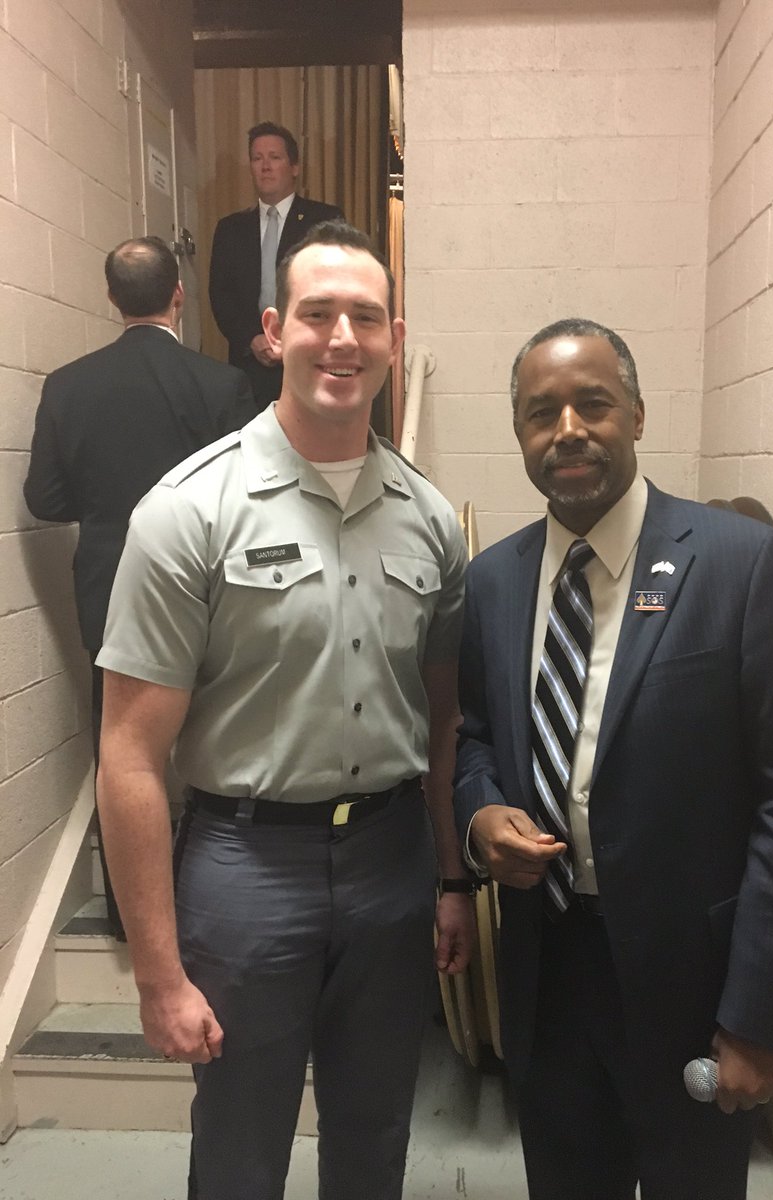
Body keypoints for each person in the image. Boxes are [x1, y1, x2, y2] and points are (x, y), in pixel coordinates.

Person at [95, 220, 475, 1200]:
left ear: (394, 339)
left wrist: (450, 879)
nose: (342, 338)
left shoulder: (432, 521)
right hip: (245, 869)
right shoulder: (189, 511)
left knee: (376, 1135)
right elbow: (129, 756)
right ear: (273, 332)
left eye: (366, 317)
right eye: (317, 314)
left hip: (391, 864)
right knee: (239, 1150)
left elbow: (441, 723)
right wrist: (157, 974)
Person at [453, 318, 773, 1200]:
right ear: (519, 433)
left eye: (593, 404)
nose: (568, 430)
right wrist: (478, 814)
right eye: (541, 413)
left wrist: (759, 1016)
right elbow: (474, 736)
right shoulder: (495, 580)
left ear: (637, 414)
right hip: (547, 971)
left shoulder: (739, 564)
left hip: (694, 987)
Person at [23, 236, 256, 939]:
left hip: (108, 580)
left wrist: (106, 511)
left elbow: (44, 497)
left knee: (121, 744)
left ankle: (131, 916)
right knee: (222, 724)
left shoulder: (67, 384)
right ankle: (223, 895)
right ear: (178, 295)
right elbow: (248, 495)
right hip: (206, 582)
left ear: (111, 298)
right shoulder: (221, 385)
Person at [209, 120, 343, 411]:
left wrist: (294, 338)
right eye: (257, 158)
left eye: (274, 157)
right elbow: (221, 296)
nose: (265, 166)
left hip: (309, 359)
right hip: (250, 365)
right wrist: (252, 338)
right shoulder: (231, 228)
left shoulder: (324, 221)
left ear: (294, 167)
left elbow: (334, 288)